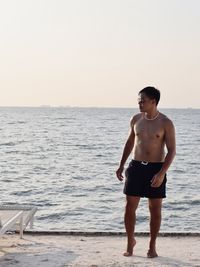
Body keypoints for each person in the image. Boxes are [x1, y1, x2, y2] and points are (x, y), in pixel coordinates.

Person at [116, 86, 176, 258]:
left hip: (156, 168)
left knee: (155, 209)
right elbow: (129, 143)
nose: (139, 103)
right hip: (136, 167)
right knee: (129, 207)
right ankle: (130, 242)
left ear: (153, 101)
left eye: (142, 100)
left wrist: (162, 173)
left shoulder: (166, 122)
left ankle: (152, 245)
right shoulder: (136, 119)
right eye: (138, 100)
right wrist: (121, 165)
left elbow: (171, 150)